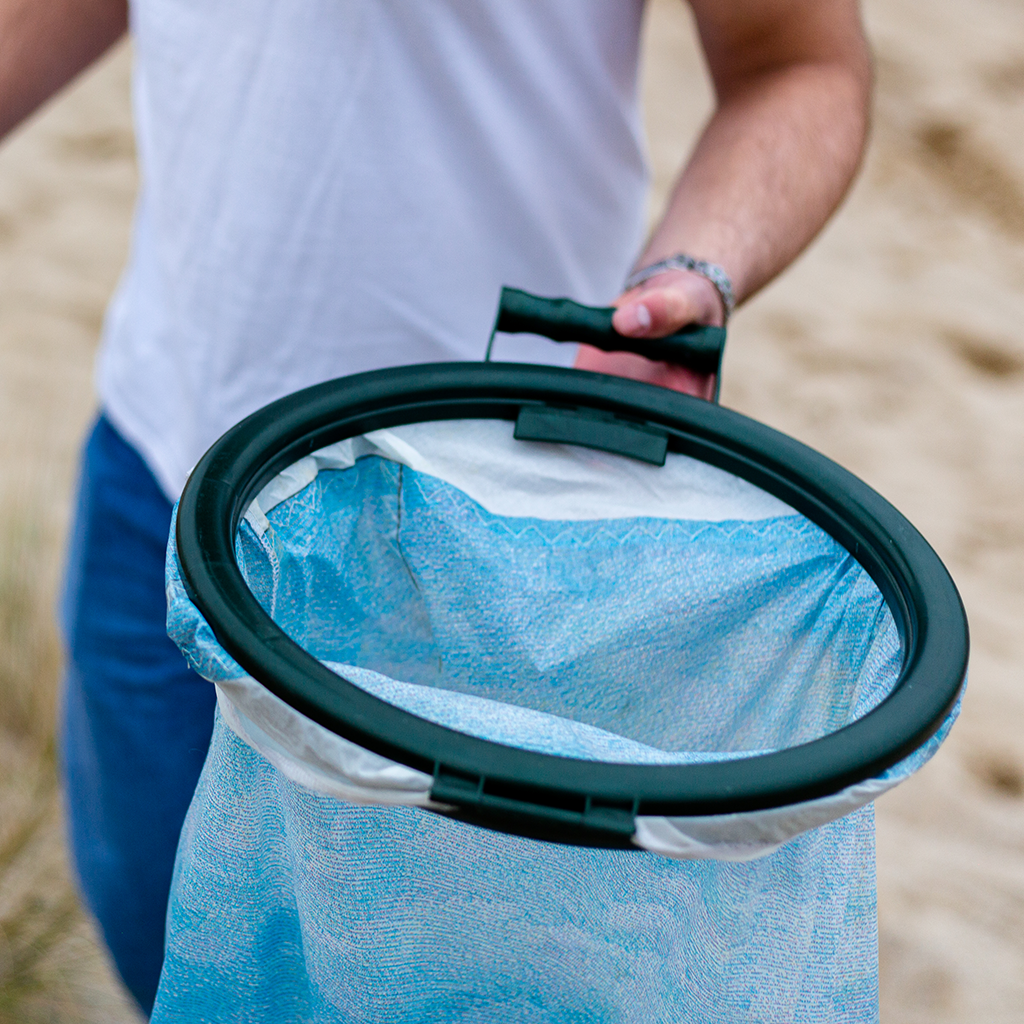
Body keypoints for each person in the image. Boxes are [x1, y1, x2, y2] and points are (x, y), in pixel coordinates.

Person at [0, 0, 872, 1015]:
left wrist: (692, 271)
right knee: (157, 937)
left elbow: (800, 65)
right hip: (162, 467)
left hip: (482, 548)